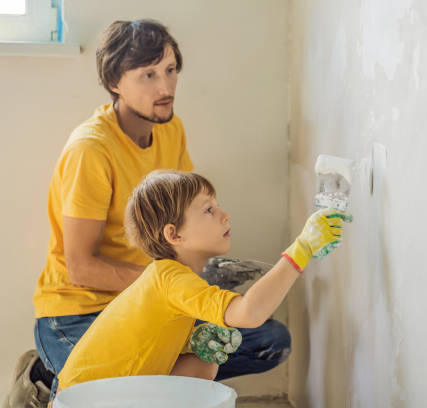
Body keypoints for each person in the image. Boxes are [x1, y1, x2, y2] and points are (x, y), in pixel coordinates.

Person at [2, 19, 289, 408]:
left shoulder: (171, 130)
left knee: (267, 341)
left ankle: (145, 382)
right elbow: (81, 267)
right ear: (115, 81)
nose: (165, 87)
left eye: (170, 70)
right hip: (77, 310)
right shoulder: (91, 150)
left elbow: (185, 222)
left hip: (152, 301)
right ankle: (46, 380)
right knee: (92, 394)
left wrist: (203, 277)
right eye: (148, 75)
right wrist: (170, 289)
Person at [51, 170, 351, 403]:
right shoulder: (172, 280)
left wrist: (193, 342)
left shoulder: (167, 276)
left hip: (97, 393)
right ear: (174, 235)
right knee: (206, 362)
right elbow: (249, 313)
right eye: (208, 210)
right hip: (86, 401)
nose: (224, 214)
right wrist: (301, 249)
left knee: (204, 363)